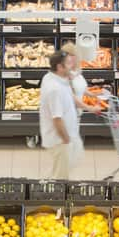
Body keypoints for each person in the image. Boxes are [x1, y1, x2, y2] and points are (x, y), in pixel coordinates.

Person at [39, 50, 82, 180]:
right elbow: (57, 119)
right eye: (69, 63)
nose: (72, 66)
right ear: (59, 67)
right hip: (59, 140)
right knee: (61, 177)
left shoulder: (53, 77)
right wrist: (66, 140)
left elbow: (70, 95)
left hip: (62, 138)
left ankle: (45, 187)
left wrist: (90, 107)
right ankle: (55, 198)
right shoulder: (54, 89)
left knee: (58, 168)